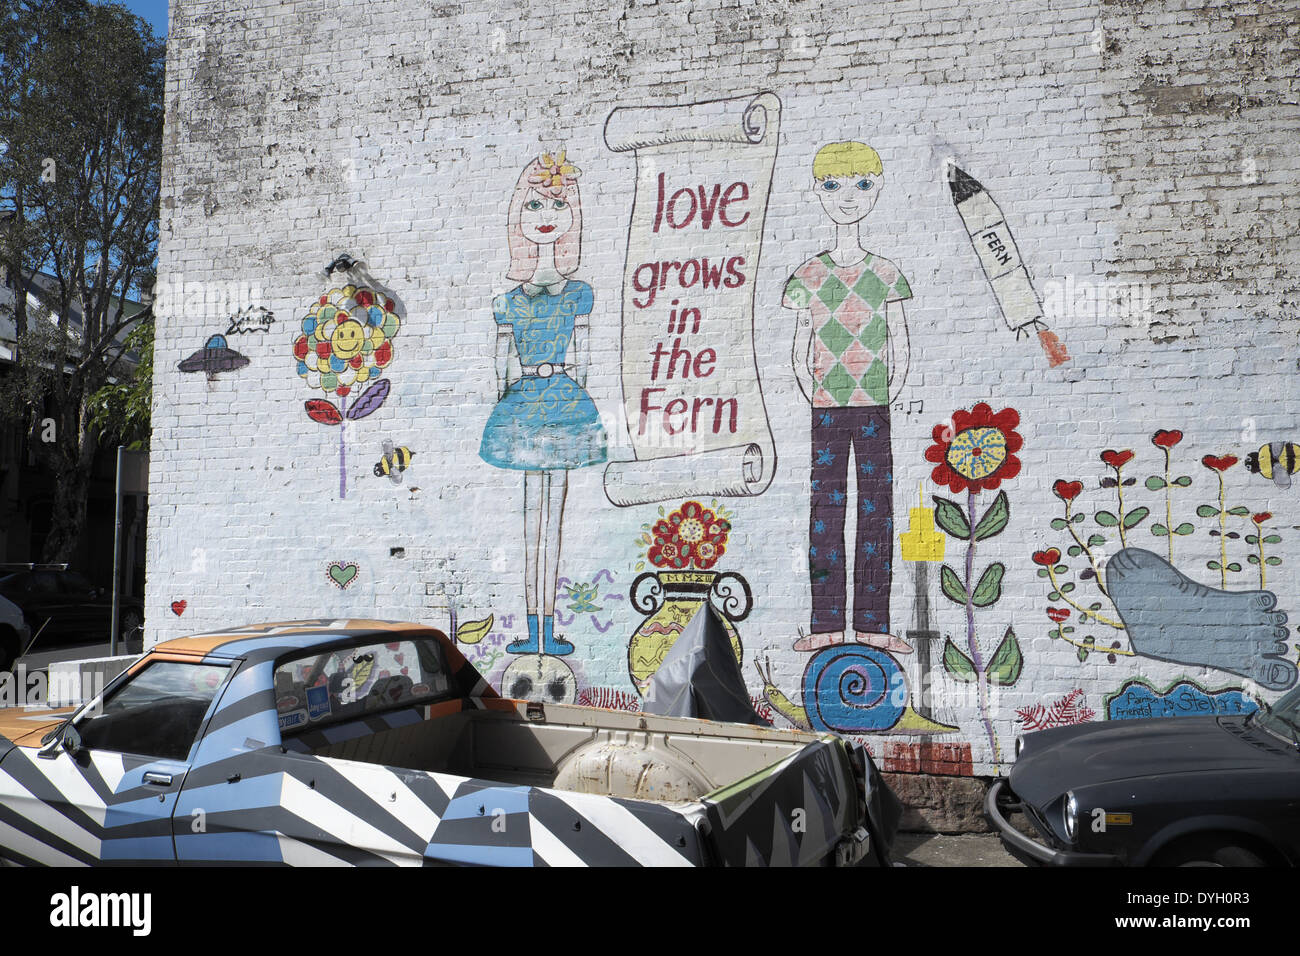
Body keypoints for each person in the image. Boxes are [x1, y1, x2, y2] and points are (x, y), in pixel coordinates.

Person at [781, 141, 913, 654]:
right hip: (827, 408)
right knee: (826, 512)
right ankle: (827, 624)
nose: (848, 197)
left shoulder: (885, 275)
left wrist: (890, 391)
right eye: (834, 186)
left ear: (876, 189)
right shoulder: (808, 277)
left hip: (874, 405)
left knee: (877, 510)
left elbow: (900, 341)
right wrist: (812, 392)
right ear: (817, 192)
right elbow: (799, 348)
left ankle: (874, 625)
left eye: (861, 185)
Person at [479, 151, 607, 656]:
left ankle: (548, 627)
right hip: (529, 401)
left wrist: (562, 388)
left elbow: (586, 357)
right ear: (519, 217)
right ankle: (534, 628)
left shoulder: (579, 293)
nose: (545, 213)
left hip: (562, 400)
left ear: (572, 215)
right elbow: (500, 364)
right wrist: (508, 401)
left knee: (552, 517)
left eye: (557, 203)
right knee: (533, 517)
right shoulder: (508, 301)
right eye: (534, 204)